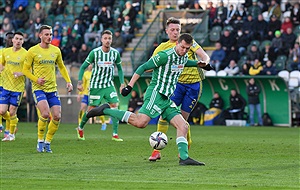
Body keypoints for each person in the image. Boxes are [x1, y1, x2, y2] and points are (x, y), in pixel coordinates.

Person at [86, 33, 206, 166]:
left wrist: (198, 64)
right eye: (182, 47)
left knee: (183, 125)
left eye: (187, 49)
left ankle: (184, 158)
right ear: (177, 43)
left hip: (166, 98)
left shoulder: (182, 57)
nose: (184, 51)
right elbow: (142, 67)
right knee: (140, 123)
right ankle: (107, 110)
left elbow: (185, 62)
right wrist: (130, 86)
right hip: (156, 93)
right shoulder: (164, 56)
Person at [147, 17, 211, 162]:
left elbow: (203, 54)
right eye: (173, 30)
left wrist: (205, 61)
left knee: (182, 119)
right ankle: (156, 150)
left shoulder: (188, 42)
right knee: (164, 115)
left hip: (194, 85)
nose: (175, 33)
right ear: (167, 31)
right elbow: (151, 65)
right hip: (175, 85)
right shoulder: (162, 48)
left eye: (178, 30)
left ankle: (185, 149)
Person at [22, 25, 73, 153]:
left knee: (57, 116)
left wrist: (68, 81)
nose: (49, 37)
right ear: (40, 35)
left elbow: (61, 67)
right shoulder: (32, 51)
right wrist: (36, 79)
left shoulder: (56, 51)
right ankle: (39, 141)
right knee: (45, 114)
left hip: (52, 89)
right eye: (46, 34)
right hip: (38, 88)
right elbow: (25, 70)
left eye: (50, 34)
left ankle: (47, 142)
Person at [76, 30, 125, 142]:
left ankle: (115, 134)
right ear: (102, 40)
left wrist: (122, 84)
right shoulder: (95, 53)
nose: (107, 40)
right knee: (91, 110)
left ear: (112, 40)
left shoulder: (115, 53)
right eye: (105, 38)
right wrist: (79, 82)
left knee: (115, 105)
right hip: (96, 86)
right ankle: (80, 128)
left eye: (109, 38)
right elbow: (83, 67)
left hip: (108, 85)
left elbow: (120, 69)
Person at [0, 32, 27, 141]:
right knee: (2, 111)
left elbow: (29, 69)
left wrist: (21, 73)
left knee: (12, 111)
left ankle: (11, 134)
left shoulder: (25, 54)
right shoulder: (5, 52)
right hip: (6, 86)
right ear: (13, 40)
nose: (18, 41)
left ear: (23, 41)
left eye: (21, 39)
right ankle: (13, 121)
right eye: (16, 38)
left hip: (17, 88)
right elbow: (1, 64)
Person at [76, 64, 107, 131]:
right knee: (82, 108)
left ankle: (104, 123)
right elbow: (83, 84)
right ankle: (80, 125)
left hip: (94, 94)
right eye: (89, 64)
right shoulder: (85, 74)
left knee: (98, 109)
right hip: (86, 94)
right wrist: (79, 94)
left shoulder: (96, 72)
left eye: (91, 64)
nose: (90, 66)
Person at [0, 32, 14, 137]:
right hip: (1, 83)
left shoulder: (18, 53)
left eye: (12, 38)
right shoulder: (2, 51)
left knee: (11, 109)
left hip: (11, 84)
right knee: (2, 110)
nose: (10, 40)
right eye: (8, 38)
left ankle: (9, 130)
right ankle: (1, 125)